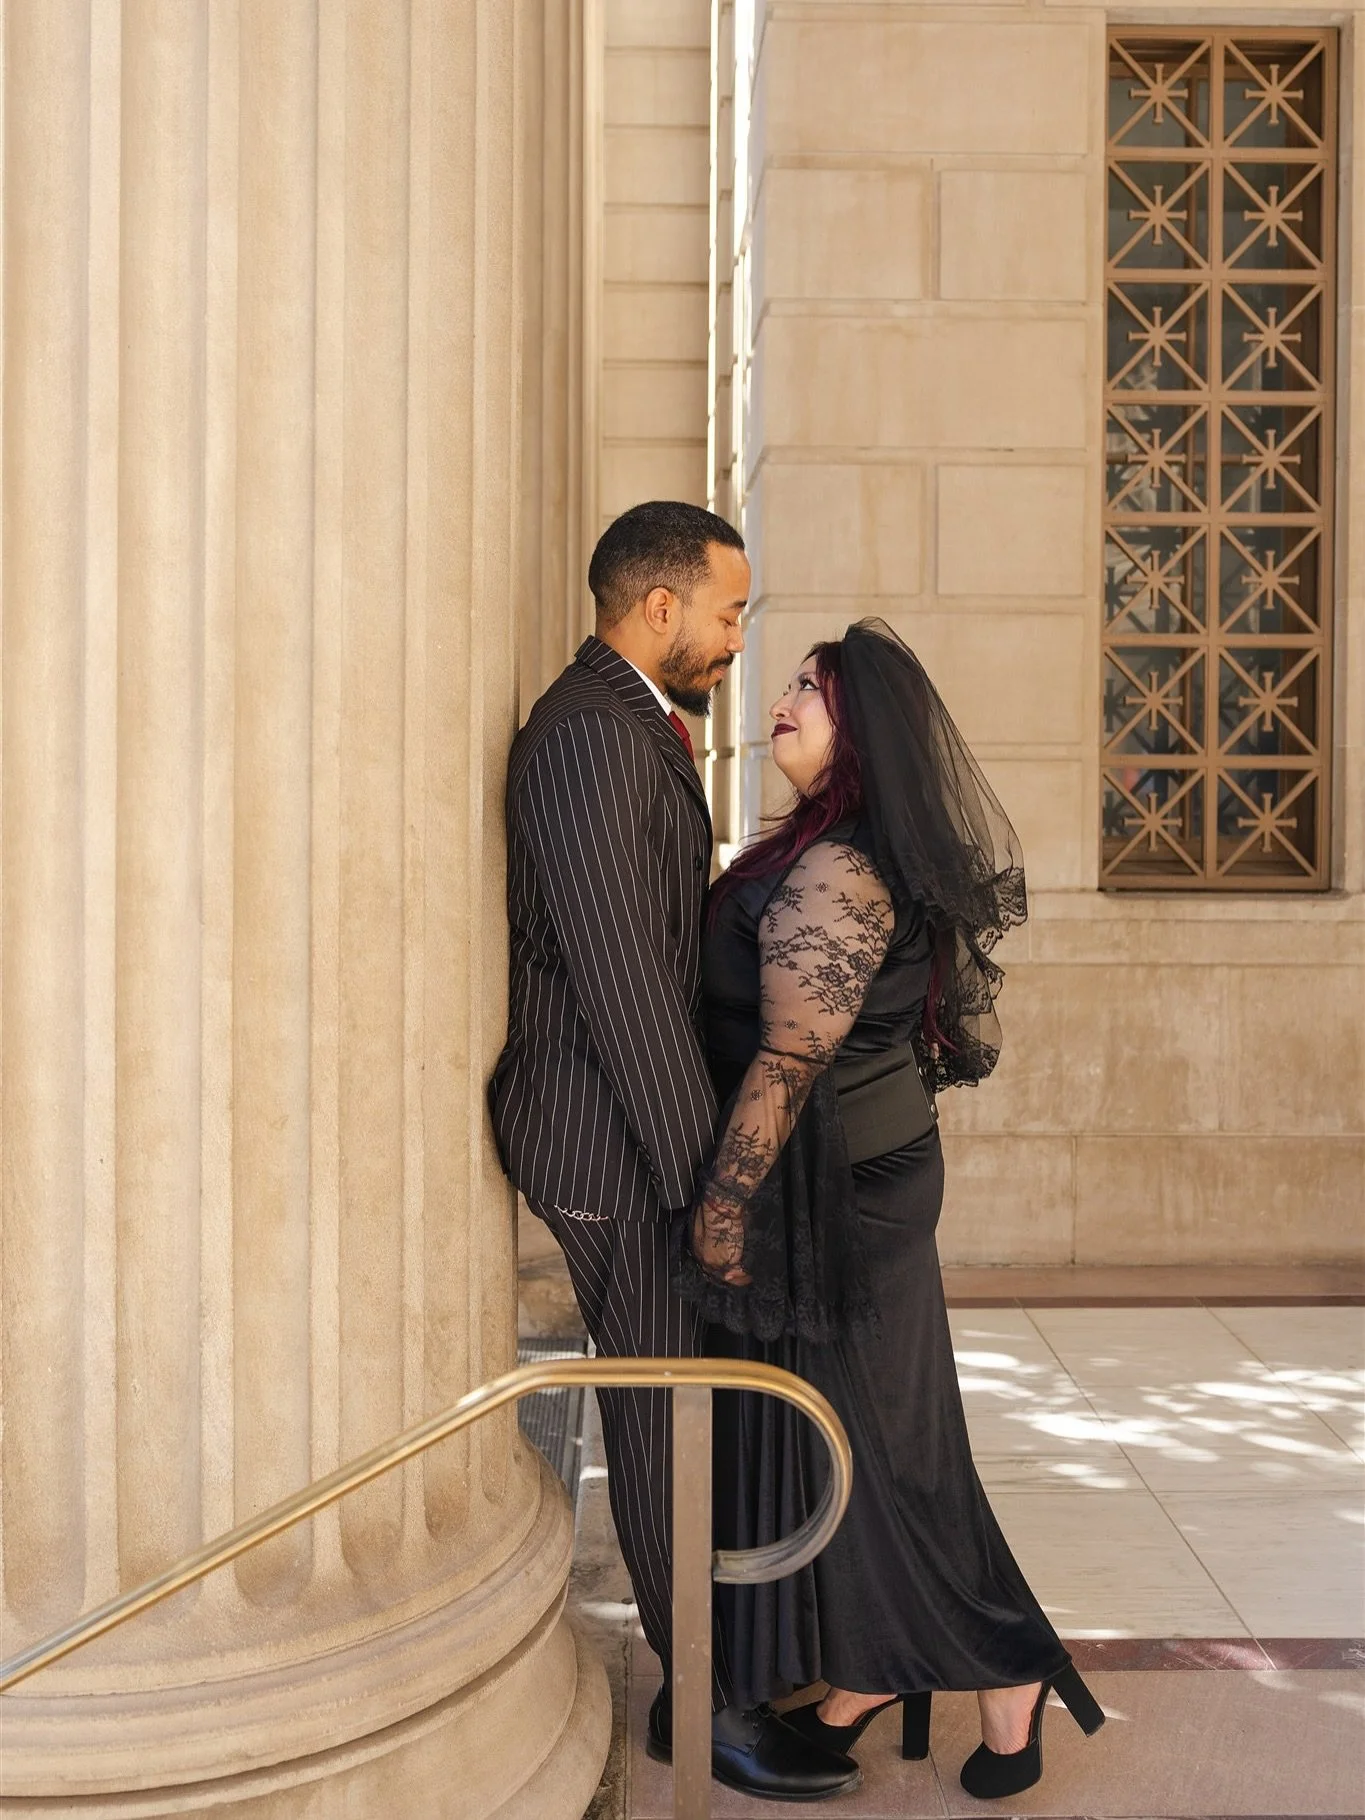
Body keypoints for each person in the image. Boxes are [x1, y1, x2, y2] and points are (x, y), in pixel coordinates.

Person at [676, 618, 1107, 1801]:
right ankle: (870, 1674)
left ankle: (1007, 1667)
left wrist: (723, 1207)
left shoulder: (843, 864)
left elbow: (787, 1057)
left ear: (860, 731)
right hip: (851, 1180)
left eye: (813, 690)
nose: (784, 700)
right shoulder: (830, 843)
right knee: (874, 1448)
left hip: (842, 1195)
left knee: (895, 1453)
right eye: (792, 683)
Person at [489, 500, 860, 1802]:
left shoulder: (629, 722)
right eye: (727, 607)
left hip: (625, 1121)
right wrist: (714, 1185)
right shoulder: (591, 739)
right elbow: (622, 990)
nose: (734, 632)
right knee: (658, 1416)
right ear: (658, 606)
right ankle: (699, 1706)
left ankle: (702, 1690)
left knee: (678, 1407)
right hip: (604, 1134)